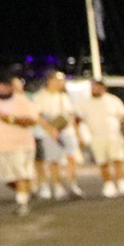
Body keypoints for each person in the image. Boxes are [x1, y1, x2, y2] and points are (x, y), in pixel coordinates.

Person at [0, 74, 43, 214]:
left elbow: (32, 121)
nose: (0, 88)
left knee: (21, 173)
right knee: (9, 177)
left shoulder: (23, 101)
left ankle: (22, 203)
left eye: (4, 85)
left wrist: (11, 119)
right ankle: (28, 189)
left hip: (21, 145)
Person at [32, 70, 87, 201]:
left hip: (67, 131)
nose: (59, 83)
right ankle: (57, 186)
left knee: (71, 159)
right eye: (57, 80)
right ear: (49, 81)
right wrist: (50, 130)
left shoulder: (64, 97)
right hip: (50, 133)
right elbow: (38, 117)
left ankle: (72, 184)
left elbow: (70, 116)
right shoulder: (40, 96)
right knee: (53, 161)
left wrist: (78, 134)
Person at [81, 78, 124, 197]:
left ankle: (122, 183)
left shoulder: (113, 100)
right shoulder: (85, 103)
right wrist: (80, 135)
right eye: (92, 87)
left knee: (118, 160)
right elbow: (79, 119)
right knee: (102, 162)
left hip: (114, 135)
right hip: (96, 137)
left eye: (96, 87)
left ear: (103, 88)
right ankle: (108, 184)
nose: (94, 89)